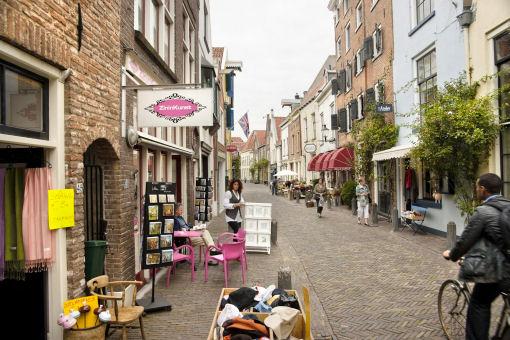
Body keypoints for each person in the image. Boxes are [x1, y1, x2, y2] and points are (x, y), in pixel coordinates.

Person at [442, 173, 510, 340]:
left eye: (477, 187)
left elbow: (465, 241)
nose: (476, 190)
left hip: (499, 271)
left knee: (479, 303)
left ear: (483, 189)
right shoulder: (507, 206)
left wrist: (452, 254)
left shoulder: (483, 212)